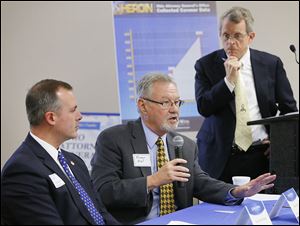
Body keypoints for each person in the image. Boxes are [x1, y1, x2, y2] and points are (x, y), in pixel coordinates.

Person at [90, 72, 276, 224]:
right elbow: (103, 191)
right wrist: (152, 180)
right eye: (165, 103)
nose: (174, 109)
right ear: (143, 106)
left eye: (177, 102)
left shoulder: (184, 144)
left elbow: (200, 182)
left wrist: (236, 191)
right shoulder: (114, 139)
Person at [194, 6, 298, 183]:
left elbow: (289, 110)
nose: (231, 42)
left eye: (237, 36)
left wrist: (278, 141)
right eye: (226, 36)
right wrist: (228, 81)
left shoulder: (271, 64)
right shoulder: (206, 65)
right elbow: (204, 107)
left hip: (260, 155)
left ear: (251, 37)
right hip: (220, 156)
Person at [1, 79, 119, 225]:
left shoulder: (75, 162)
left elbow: (101, 213)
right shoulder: (22, 170)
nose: (79, 116)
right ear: (51, 118)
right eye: (72, 110)